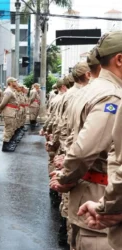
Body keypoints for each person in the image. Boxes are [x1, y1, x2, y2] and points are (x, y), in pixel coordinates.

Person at [50, 31, 122, 250]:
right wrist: (66, 178)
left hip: (89, 192)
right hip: (98, 196)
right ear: (119, 59)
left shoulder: (86, 91)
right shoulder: (112, 96)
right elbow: (84, 150)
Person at [0, 77, 19, 152]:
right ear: (10, 83)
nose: (16, 83)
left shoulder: (11, 91)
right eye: (15, 82)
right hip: (9, 112)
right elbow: (3, 103)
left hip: (12, 112)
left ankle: (8, 143)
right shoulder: (8, 91)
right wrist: (0, 110)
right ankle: (5, 146)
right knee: (8, 129)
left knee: (11, 129)